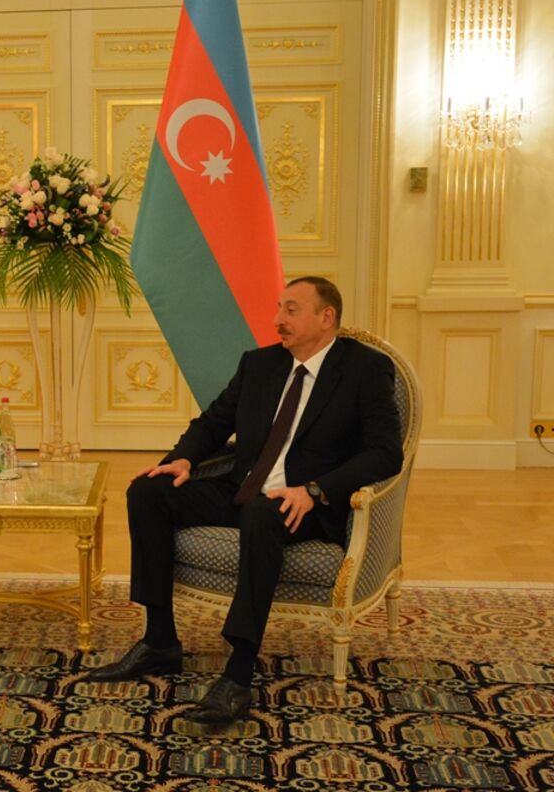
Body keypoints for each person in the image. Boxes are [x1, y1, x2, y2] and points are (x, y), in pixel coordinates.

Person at [90, 277, 403, 724]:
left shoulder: (365, 369)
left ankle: (238, 674)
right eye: (278, 308)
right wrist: (182, 459)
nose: (277, 319)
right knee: (149, 491)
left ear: (326, 317)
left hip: (306, 503)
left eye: (291, 309)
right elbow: (213, 422)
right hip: (243, 487)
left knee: (262, 513)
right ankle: (159, 639)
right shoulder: (260, 364)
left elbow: (385, 452)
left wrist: (316, 490)